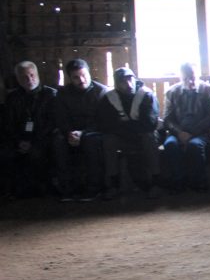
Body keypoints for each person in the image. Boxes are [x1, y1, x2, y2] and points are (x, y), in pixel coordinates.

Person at [97, 67, 160, 199]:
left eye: (130, 79)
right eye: (123, 82)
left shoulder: (146, 95)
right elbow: (106, 124)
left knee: (149, 137)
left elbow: (149, 124)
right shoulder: (109, 98)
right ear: (116, 84)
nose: (129, 84)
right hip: (122, 136)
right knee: (108, 140)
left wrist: (123, 123)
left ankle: (156, 182)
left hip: (142, 135)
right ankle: (113, 184)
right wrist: (131, 125)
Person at [53, 59, 108, 201]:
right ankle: (67, 189)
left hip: (94, 131)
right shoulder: (63, 94)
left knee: (91, 141)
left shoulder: (101, 92)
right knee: (58, 141)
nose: (81, 80)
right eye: (76, 77)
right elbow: (60, 117)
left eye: (84, 75)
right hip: (70, 132)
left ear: (89, 74)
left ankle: (93, 189)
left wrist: (82, 133)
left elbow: (103, 121)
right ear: (70, 78)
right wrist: (69, 133)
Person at [1, 61, 56, 198]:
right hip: (19, 139)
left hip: (42, 138)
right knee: (6, 154)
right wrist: (19, 141)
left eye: (32, 75)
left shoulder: (50, 95)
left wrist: (33, 141)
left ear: (37, 75)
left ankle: (40, 190)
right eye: (24, 77)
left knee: (36, 154)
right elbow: (8, 124)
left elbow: (51, 123)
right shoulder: (13, 98)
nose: (29, 80)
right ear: (18, 79)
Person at [162, 62, 210, 193]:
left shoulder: (208, 90)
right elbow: (167, 119)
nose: (190, 80)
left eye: (192, 76)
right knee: (170, 144)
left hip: (203, 131)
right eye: (185, 77)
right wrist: (179, 132)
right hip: (179, 131)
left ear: (197, 75)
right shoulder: (172, 92)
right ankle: (178, 181)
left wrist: (192, 133)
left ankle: (199, 181)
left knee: (195, 145)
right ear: (180, 77)